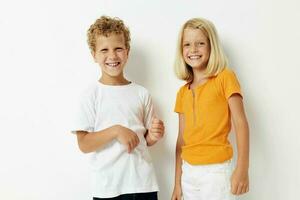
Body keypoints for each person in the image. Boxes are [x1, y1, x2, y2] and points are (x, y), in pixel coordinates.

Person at [72, 16, 164, 200]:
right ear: (94, 55)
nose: (112, 56)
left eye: (118, 49)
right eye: (104, 50)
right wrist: (115, 131)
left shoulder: (141, 93)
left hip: (142, 184)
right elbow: (84, 144)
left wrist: (154, 136)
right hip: (107, 187)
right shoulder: (91, 95)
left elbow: (146, 140)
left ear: (127, 52)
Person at [171, 18, 250, 200]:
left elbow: (241, 122)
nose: (193, 50)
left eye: (200, 44)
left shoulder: (225, 78)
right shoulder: (182, 92)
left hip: (216, 172)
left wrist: (242, 168)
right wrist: (177, 184)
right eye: (187, 44)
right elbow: (181, 141)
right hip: (188, 173)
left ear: (211, 46)